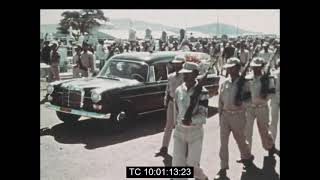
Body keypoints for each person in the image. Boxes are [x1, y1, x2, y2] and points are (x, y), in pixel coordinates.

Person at [214, 58, 254, 180]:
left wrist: (241, 101)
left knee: (241, 140)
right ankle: (223, 167)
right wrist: (220, 115)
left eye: (232, 67)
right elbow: (220, 101)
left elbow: (249, 100)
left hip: (238, 115)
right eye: (228, 68)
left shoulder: (245, 83)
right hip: (225, 115)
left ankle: (247, 156)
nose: (230, 70)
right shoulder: (224, 83)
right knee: (223, 143)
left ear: (238, 68)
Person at [172, 61, 209, 180]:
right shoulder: (179, 90)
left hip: (195, 132)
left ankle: (202, 178)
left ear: (195, 74)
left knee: (192, 165)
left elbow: (203, 116)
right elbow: (176, 110)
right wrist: (176, 124)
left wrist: (191, 120)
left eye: (188, 73)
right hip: (179, 131)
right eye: (184, 73)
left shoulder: (202, 92)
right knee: (177, 165)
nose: (184, 76)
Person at [244, 57, 280, 157]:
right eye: (254, 67)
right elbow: (245, 92)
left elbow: (271, 93)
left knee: (264, 130)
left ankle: (269, 147)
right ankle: (246, 154)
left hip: (262, 107)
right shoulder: (248, 78)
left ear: (262, 67)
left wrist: (263, 98)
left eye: (258, 67)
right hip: (250, 108)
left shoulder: (268, 78)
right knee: (247, 131)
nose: (256, 69)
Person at [155, 55, 185, 157]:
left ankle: (181, 150)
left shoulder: (185, 77)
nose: (176, 66)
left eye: (178, 64)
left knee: (179, 126)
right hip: (172, 102)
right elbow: (167, 90)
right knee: (168, 126)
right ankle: (164, 147)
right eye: (175, 64)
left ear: (182, 64)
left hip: (181, 103)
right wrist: (165, 101)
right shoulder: (171, 76)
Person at [269, 58, 280, 143]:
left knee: (273, 122)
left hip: (275, 98)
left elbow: (270, 88)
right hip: (275, 97)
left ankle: (272, 143)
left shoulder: (274, 74)